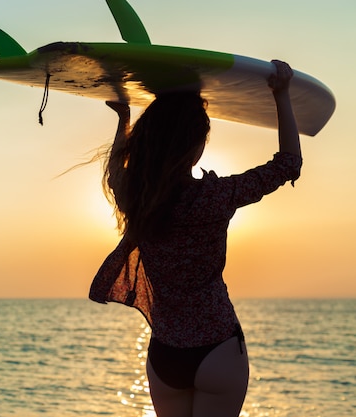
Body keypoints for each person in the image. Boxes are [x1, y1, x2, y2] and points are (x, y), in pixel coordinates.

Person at [89, 60, 302, 417]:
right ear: (196, 147)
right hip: (216, 347)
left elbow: (115, 173)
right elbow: (288, 163)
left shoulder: (137, 198)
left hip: (165, 355)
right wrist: (281, 95)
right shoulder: (215, 197)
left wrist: (123, 122)